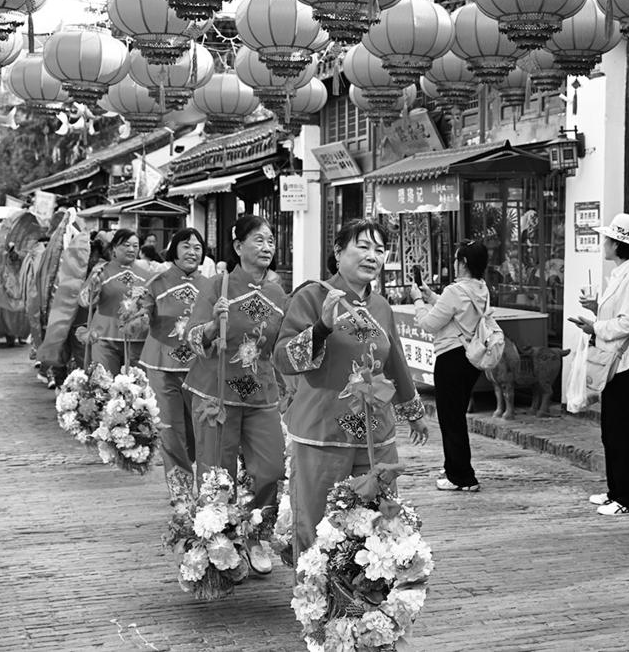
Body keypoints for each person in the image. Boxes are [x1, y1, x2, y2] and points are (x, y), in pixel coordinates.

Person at [275, 219, 429, 558]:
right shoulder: (311, 297)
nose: (372, 255)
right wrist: (321, 328)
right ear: (338, 251)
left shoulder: (381, 307)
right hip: (322, 432)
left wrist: (413, 411)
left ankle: (369, 588)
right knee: (318, 524)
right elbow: (282, 358)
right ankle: (314, 589)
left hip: (376, 434)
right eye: (363, 246)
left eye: (380, 249)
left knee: (379, 521)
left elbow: (395, 360)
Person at [184, 215, 287, 575]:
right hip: (216, 394)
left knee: (271, 468)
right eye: (258, 240)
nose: (267, 246)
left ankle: (255, 532)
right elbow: (192, 338)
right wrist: (213, 324)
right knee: (217, 473)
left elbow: (281, 347)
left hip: (261, 393)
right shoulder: (218, 286)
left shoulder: (278, 295)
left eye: (271, 240)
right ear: (238, 246)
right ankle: (222, 544)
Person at [569, 213, 629, 516]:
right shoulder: (623, 274)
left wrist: (595, 327)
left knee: (620, 432)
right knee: (611, 431)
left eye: (607, 239)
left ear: (617, 244)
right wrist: (597, 309)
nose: (603, 243)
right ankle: (617, 490)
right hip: (619, 363)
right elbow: (621, 315)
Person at [410, 239, 489, 492]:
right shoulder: (481, 288)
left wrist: (418, 301)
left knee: (450, 418)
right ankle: (454, 467)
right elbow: (456, 311)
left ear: (463, 262)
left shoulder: (455, 291)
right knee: (456, 416)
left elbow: (429, 324)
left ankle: (462, 477)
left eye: (456, 259)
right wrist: (431, 296)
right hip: (470, 360)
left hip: (451, 358)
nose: (454, 263)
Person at [139, 228, 207, 499]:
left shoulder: (212, 285)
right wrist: (138, 315)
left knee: (200, 429)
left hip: (200, 369)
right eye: (186, 246)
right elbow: (138, 320)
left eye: (198, 247)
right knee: (170, 430)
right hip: (162, 367)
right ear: (174, 250)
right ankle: (182, 493)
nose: (192, 252)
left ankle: (208, 487)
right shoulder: (156, 283)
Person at [77, 229, 151, 374]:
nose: (131, 249)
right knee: (104, 381)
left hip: (137, 340)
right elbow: (84, 301)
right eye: (126, 245)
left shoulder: (147, 275)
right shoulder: (101, 271)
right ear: (114, 248)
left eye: (135, 246)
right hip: (104, 337)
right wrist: (94, 287)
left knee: (135, 384)